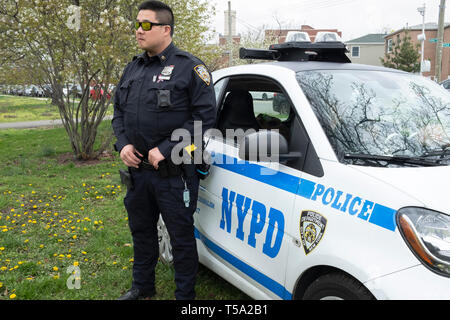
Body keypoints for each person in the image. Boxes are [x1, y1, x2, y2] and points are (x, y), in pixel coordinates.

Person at [112, 0, 216, 300]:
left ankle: (185, 298)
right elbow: (118, 111)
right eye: (137, 24)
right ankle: (142, 289)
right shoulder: (133, 67)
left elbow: (205, 120)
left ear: (166, 29)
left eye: (146, 25)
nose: (138, 30)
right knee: (142, 233)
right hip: (138, 174)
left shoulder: (189, 67)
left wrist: (169, 148)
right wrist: (123, 144)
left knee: (181, 238)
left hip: (173, 174)